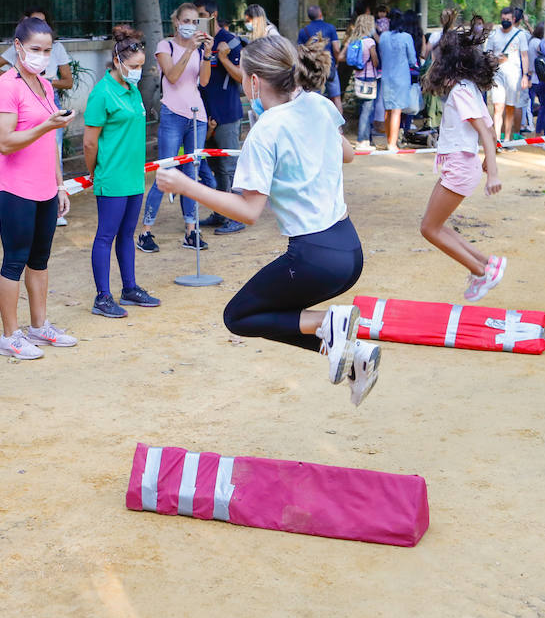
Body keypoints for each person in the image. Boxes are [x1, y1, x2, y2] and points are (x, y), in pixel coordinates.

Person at [152, 34, 381, 406]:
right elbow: (348, 154)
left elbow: (248, 212)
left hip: (313, 257)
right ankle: (352, 356)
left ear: (255, 82)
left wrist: (185, 185)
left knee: (239, 316)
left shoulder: (266, 131)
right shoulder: (318, 104)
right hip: (349, 250)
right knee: (270, 313)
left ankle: (330, 323)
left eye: (243, 77)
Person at [0, 15, 77, 359]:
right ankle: (10, 336)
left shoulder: (45, 85)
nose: (41, 55)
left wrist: (60, 185)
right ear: (18, 47)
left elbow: (51, 141)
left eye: (47, 50)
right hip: (15, 188)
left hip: (44, 188)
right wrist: (45, 126)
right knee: (14, 261)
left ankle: (39, 327)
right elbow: (6, 142)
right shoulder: (7, 85)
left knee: (40, 261)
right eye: (35, 49)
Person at [420, 23, 506, 301]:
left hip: (459, 166)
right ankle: (487, 263)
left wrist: (492, 172)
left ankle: (481, 272)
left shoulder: (461, 92)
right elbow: (491, 129)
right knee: (436, 224)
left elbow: (483, 131)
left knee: (429, 229)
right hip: (459, 164)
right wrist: (485, 164)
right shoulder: (469, 88)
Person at [83, 26, 162, 319]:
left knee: (127, 235)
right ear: (117, 62)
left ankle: (129, 288)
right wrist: (97, 173)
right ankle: (102, 297)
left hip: (133, 176)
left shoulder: (131, 90)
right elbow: (90, 142)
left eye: (141, 66)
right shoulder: (102, 93)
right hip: (112, 178)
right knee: (105, 236)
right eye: (134, 66)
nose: (138, 72)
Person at [138, 3, 214, 254]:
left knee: (191, 175)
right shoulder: (165, 46)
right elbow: (171, 76)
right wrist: (189, 49)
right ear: (176, 22)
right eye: (186, 20)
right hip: (172, 113)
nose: (190, 25)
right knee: (165, 172)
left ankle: (191, 232)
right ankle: (145, 232)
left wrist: (206, 54)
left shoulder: (198, 49)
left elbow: (203, 81)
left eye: (195, 21)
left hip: (197, 116)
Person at [196, 0, 247, 236]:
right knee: (215, 167)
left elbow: (242, 79)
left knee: (229, 167)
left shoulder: (231, 42)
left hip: (227, 114)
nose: (197, 20)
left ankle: (236, 215)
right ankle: (220, 213)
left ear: (213, 15)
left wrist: (224, 58)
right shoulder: (196, 43)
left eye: (201, 15)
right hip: (203, 115)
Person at [484, 6, 530, 143]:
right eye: (503, 19)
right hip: (497, 74)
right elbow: (487, 53)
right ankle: (497, 138)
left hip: (513, 75)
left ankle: (508, 138)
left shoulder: (520, 35)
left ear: (513, 19)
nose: (505, 21)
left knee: (510, 107)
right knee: (498, 106)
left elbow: (524, 56)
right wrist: (495, 59)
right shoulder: (494, 35)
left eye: (508, 19)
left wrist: (525, 75)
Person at [378, 9, 418, 151]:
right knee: (397, 111)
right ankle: (392, 144)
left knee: (388, 110)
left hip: (386, 76)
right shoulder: (406, 37)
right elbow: (412, 59)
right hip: (401, 77)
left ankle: (389, 139)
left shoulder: (383, 37)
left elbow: (382, 55)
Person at [344, 13, 381, 148]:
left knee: (362, 108)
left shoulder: (354, 41)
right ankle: (362, 140)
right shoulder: (370, 42)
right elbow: (375, 61)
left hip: (358, 78)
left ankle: (365, 139)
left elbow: (345, 58)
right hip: (369, 77)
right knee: (367, 110)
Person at [298, 5, 343, 112]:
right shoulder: (330, 28)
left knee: (315, 99)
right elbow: (336, 49)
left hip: (313, 71)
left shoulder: (303, 31)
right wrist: (336, 62)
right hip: (329, 67)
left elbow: (299, 52)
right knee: (336, 98)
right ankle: (339, 127)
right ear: (320, 14)